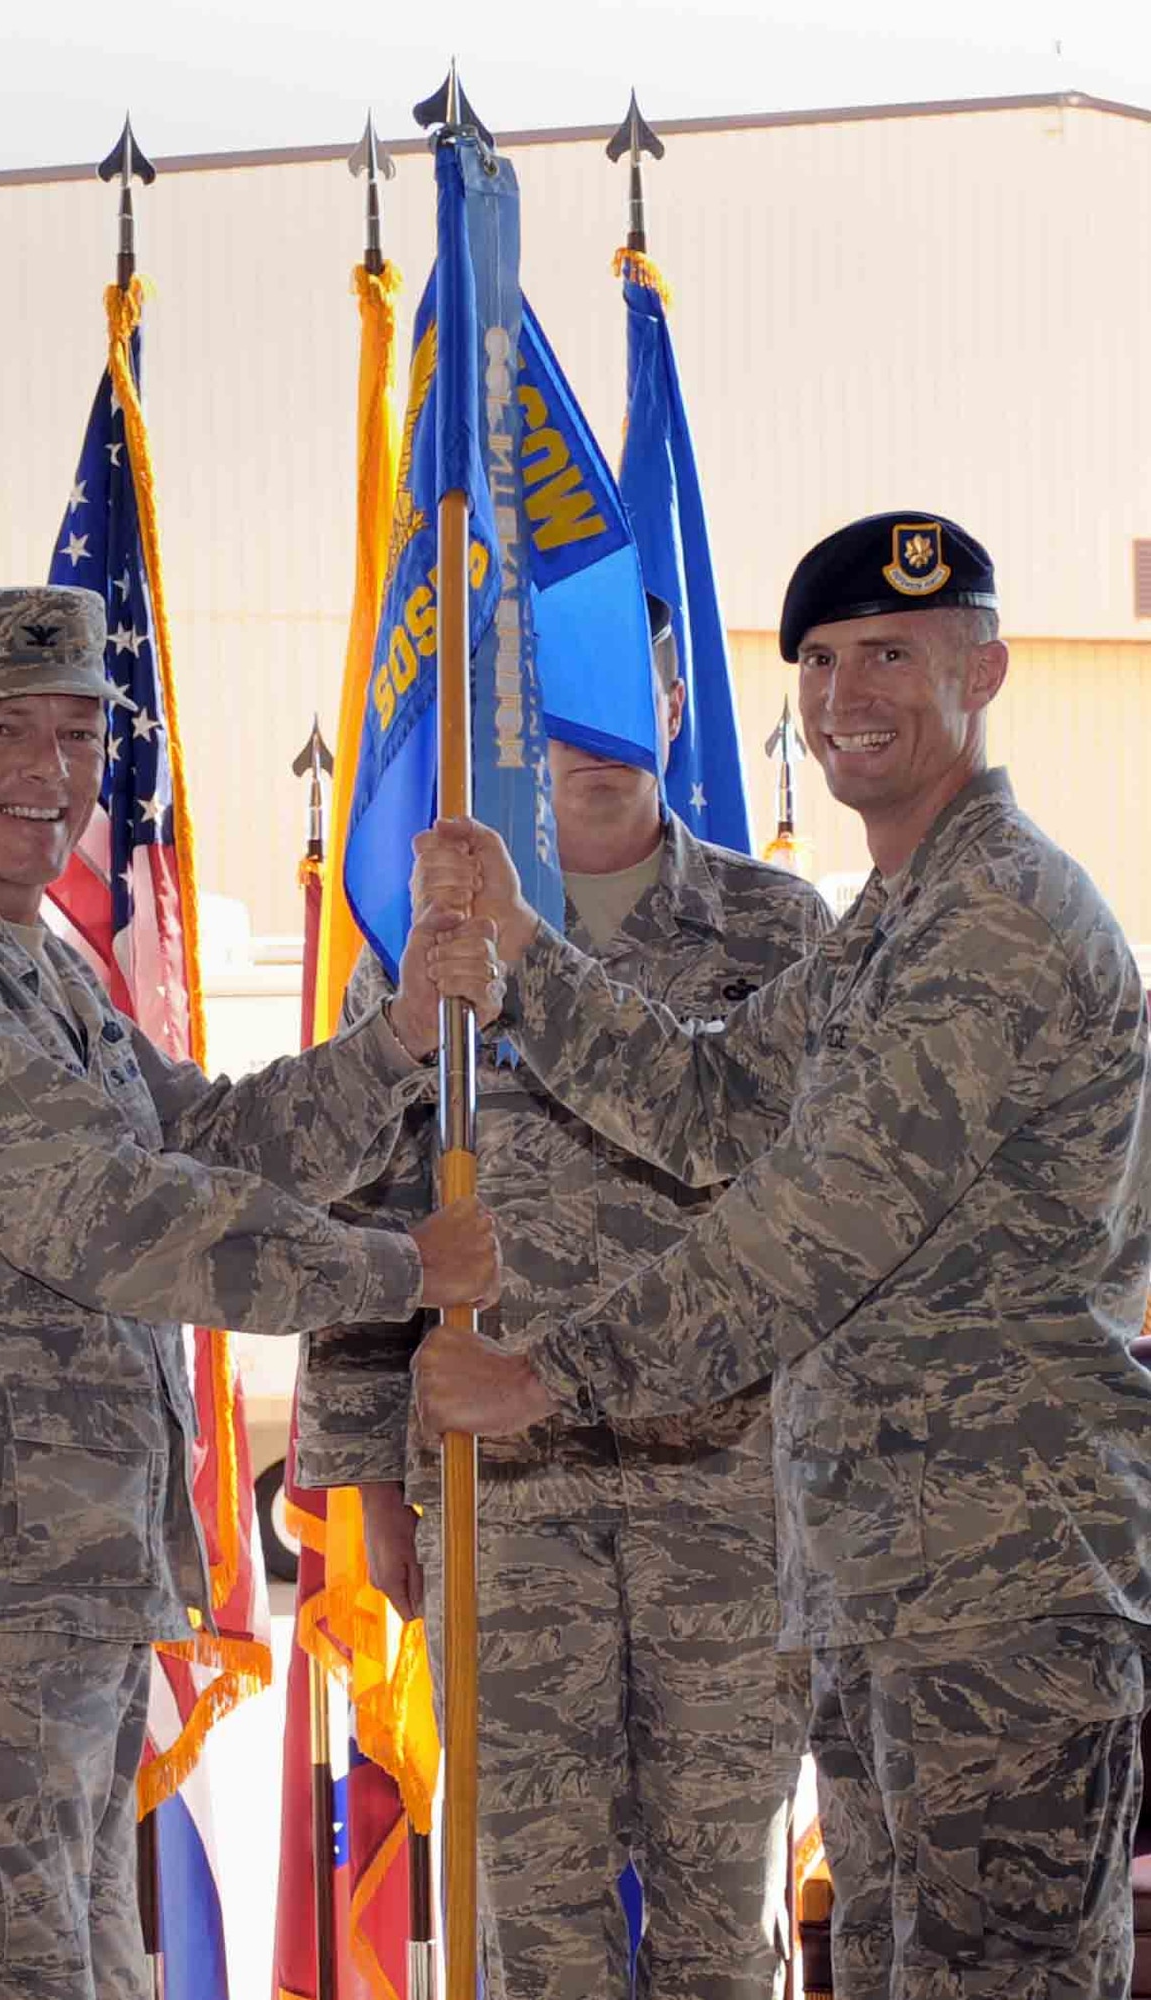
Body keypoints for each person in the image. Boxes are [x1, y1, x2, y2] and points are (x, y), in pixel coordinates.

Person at [414, 512, 1151, 2000]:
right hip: (888, 1577)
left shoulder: (995, 915)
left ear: (984, 670)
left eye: (892, 653)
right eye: (817, 659)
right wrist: (518, 950)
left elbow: (806, 1233)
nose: (844, 693)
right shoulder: (891, 919)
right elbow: (711, 1101)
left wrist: (547, 1374)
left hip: (997, 1583)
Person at [0, 582, 504, 2000]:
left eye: (81, 732)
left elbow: (201, 1137)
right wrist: (398, 1271)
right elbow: (106, 1213)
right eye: (2, 731)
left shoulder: (38, 958)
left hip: (49, 1595)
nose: (50, 773)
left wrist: (395, 1044)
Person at [297, 598, 830, 2000]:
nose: (591, 743)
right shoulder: (426, 945)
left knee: (722, 1913)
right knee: (531, 1917)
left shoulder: (778, 930)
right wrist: (365, 1493)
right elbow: (359, 1212)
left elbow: (824, 1217)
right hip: (502, 1499)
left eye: (620, 694)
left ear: (669, 699)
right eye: (554, 709)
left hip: (727, 1489)